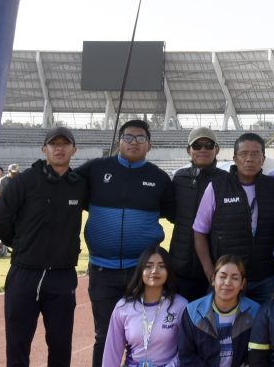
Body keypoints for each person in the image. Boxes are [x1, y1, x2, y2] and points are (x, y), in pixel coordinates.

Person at [79, 119, 176, 367]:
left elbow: (177, 215)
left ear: (149, 145)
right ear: (119, 142)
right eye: (129, 137)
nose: (134, 142)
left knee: (145, 334)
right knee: (104, 335)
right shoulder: (95, 169)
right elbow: (65, 189)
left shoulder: (159, 178)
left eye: (141, 138)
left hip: (142, 271)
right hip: (102, 270)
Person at [0, 126, 87, 367]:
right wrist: (20, 244)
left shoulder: (79, 185)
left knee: (61, 343)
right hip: (24, 273)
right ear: (44, 149)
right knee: (18, 343)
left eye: (65, 144)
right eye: (54, 144)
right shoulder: (25, 181)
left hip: (62, 276)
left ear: (74, 150)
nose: (59, 148)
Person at [194, 132, 274, 305]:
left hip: (265, 278)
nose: (249, 159)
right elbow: (199, 231)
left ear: (263, 159)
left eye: (255, 154)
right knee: (225, 322)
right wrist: (210, 271)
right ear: (235, 158)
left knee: (269, 322)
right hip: (228, 278)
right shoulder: (217, 187)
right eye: (243, 154)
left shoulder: (273, 188)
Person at [102, 245, 188, 367]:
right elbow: (112, 352)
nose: (155, 271)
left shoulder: (181, 306)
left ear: (168, 271)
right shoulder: (123, 307)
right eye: (148, 266)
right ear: (140, 270)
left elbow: (187, 350)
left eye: (161, 266)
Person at [172, 127, 231, 301]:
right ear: (188, 150)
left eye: (208, 145)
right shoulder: (179, 178)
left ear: (217, 149)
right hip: (179, 266)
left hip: (213, 267)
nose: (203, 150)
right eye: (197, 145)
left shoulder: (226, 180)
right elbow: (170, 212)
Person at [178, 254, 261, 367]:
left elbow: (255, 355)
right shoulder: (193, 311)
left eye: (235, 278)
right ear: (213, 279)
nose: (227, 282)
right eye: (222, 276)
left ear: (242, 284)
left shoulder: (255, 311)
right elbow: (186, 355)